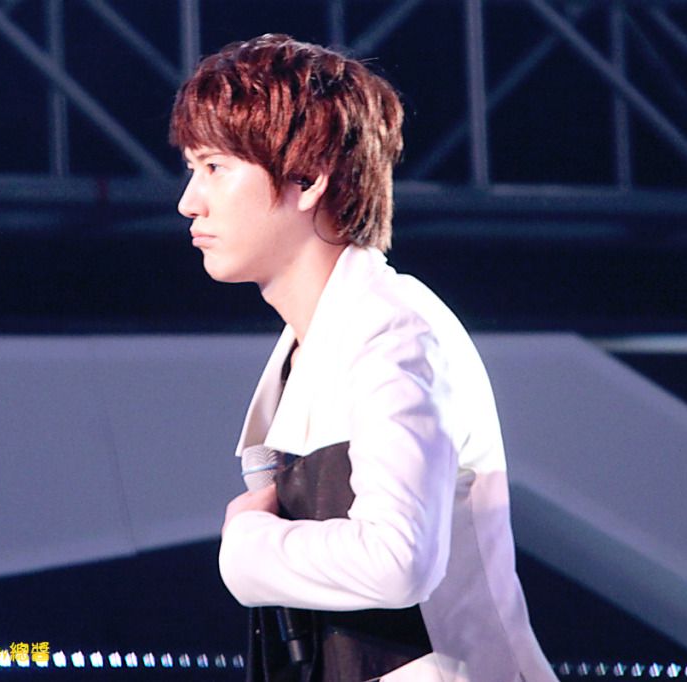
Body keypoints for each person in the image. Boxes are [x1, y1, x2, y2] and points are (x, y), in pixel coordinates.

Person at [170, 34, 557, 682]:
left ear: (307, 178)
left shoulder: (393, 330)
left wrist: (247, 549)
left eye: (214, 167)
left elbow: (397, 558)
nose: (189, 200)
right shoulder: (323, 341)